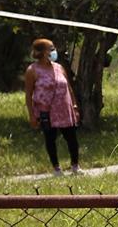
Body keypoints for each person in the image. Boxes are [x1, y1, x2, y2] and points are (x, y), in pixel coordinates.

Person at [23, 39, 80, 174]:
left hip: (64, 110)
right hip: (46, 112)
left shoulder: (59, 67)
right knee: (50, 139)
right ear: (42, 52)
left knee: (72, 138)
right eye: (51, 48)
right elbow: (28, 94)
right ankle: (56, 168)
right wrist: (31, 115)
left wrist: (75, 106)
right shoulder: (32, 70)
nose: (54, 51)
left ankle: (75, 166)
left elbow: (68, 88)